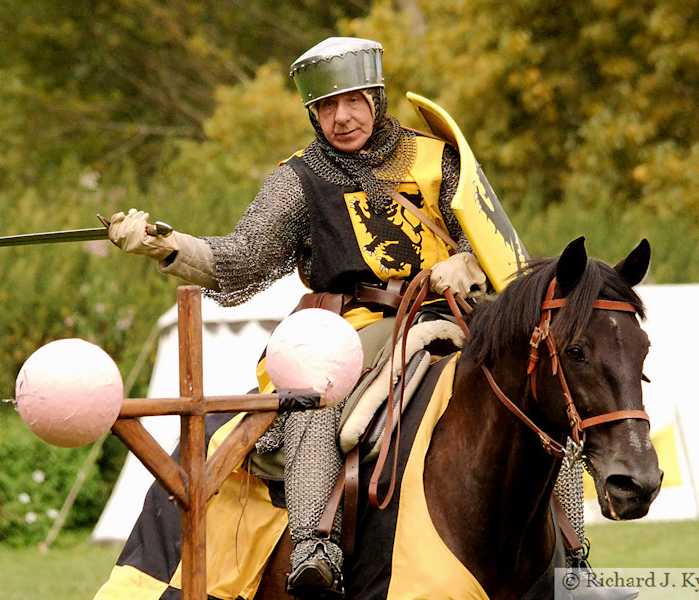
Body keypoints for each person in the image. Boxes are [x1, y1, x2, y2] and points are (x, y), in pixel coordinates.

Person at [108, 37, 486, 597]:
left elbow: (501, 249)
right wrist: (164, 246)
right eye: (327, 107)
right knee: (312, 395)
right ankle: (315, 550)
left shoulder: (437, 159)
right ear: (312, 112)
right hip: (350, 326)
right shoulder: (301, 178)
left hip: (451, 313)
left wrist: (467, 261)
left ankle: (574, 560)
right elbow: (238, 260)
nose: (342, 117)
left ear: (377, 99)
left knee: (544, 375)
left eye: (354, 100)